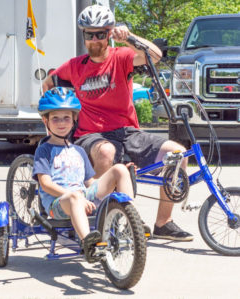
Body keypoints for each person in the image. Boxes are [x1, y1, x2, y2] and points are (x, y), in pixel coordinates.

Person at [42, 5, 193, 241]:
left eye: (101, 34)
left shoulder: (121, 57)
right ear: (83, 36)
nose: (94, 39)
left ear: (109, 33)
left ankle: (163, 222)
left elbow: (155, 55)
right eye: (89, 34)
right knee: (106, 151)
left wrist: (129, 37)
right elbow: (47, 85)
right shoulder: (74, 66)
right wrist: (52, 126)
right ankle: (105, 220)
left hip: (128, 132)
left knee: (178, 153)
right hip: (91, 135)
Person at [32, 87, 139, 263]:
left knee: (119, 169)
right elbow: (45, 184)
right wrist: (75, 197)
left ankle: (130, 223)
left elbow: (90, 181)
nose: (61, 123)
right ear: (46, 121)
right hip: (59, 203)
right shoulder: (44, 150)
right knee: (75, 197)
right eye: (55, 118)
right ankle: (89, 244)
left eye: (66, 118)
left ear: (74, 119)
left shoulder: (79, 151)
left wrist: (112, 181)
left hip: (82, 196)